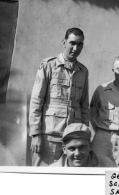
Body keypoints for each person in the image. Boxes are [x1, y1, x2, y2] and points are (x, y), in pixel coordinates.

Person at [29, 28, 89, 166]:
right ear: (64, 42)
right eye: (72, 43)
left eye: (80, 44)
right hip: (49, 138)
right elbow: (36, 101)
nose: (75, 48)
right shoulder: (48, 65)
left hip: (73, 140)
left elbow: (84, 106)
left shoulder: (83, 71)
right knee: (42, 179)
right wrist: (36, 134)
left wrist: (84, 136)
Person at [50, 123, 116, 167]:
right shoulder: (52, 172)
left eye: (82, 148)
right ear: (64, 149)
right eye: (72, 149)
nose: (77, 154)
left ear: (90, 146)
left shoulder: (106, 165)